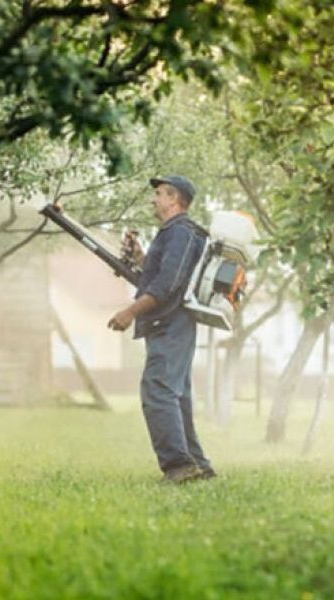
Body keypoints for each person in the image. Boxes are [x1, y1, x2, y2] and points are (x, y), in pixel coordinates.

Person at [108, 175, 215, 484]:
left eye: (158, 194)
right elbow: (163, 273)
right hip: (172, 321)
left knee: (158, 390)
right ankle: (198, 465)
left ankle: (179, 466)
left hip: (171, 321)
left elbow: (167, 285)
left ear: (174, 199)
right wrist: (141, 255)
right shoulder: (171, 234)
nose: (153, 199)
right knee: (175, 395)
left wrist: (130, 311)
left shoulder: (181, 232)